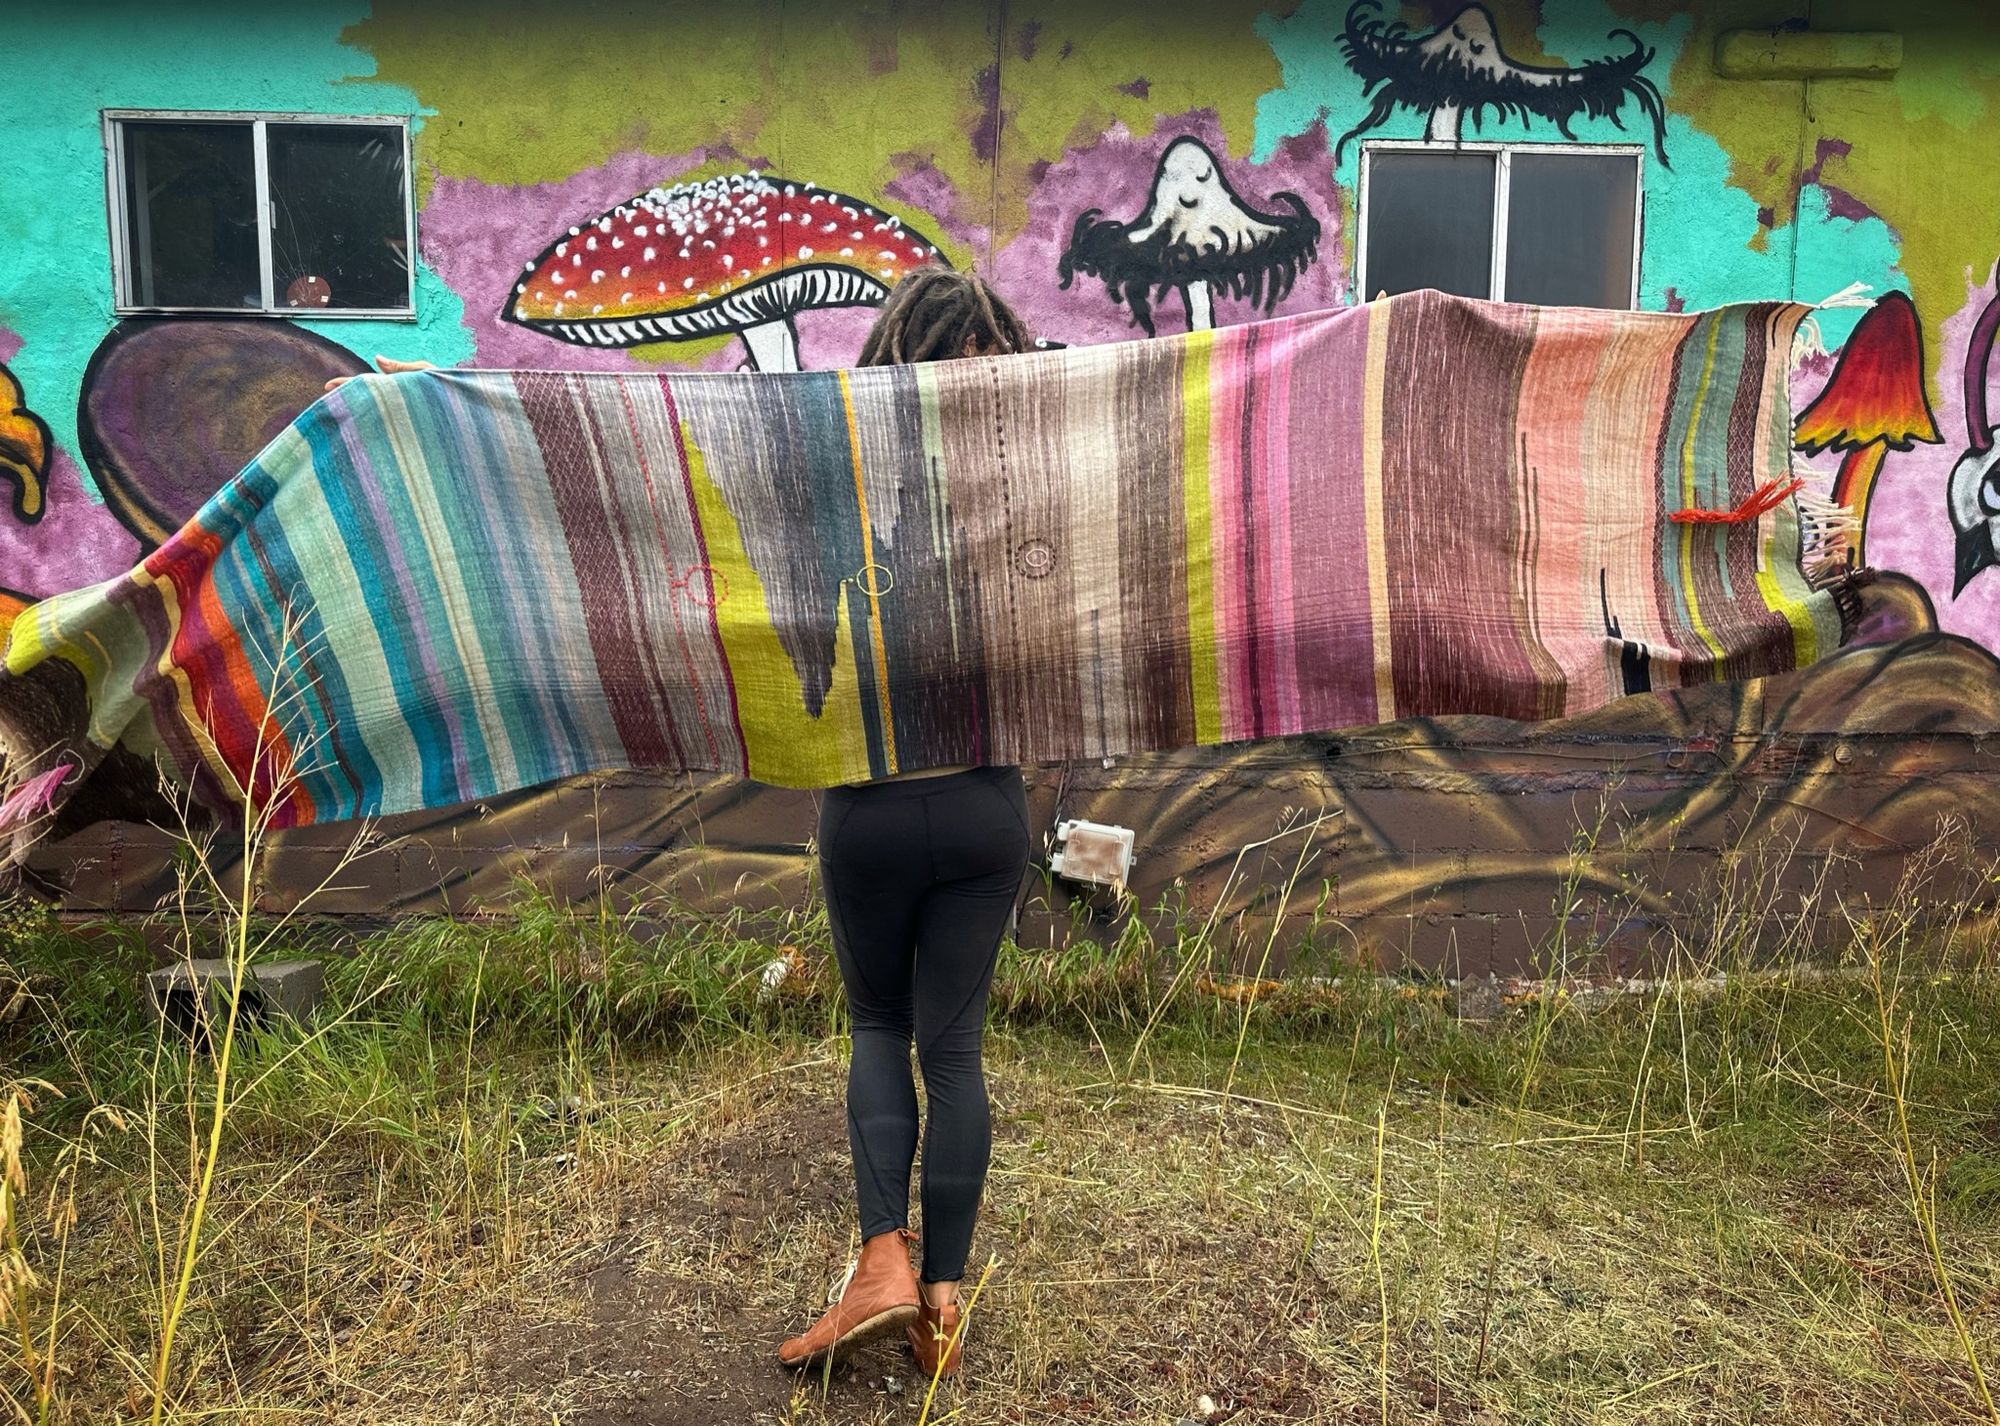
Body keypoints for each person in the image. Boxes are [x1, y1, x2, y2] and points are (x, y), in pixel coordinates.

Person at [327, 269, 1037, 1381]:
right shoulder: (1034, 465)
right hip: (990, 805)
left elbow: (641, 463)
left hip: (868, 803)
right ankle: (942, 1303)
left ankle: (880, 1263)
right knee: (954, 1049)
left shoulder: (826, 470)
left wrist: (448, 406)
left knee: (875, 1027)